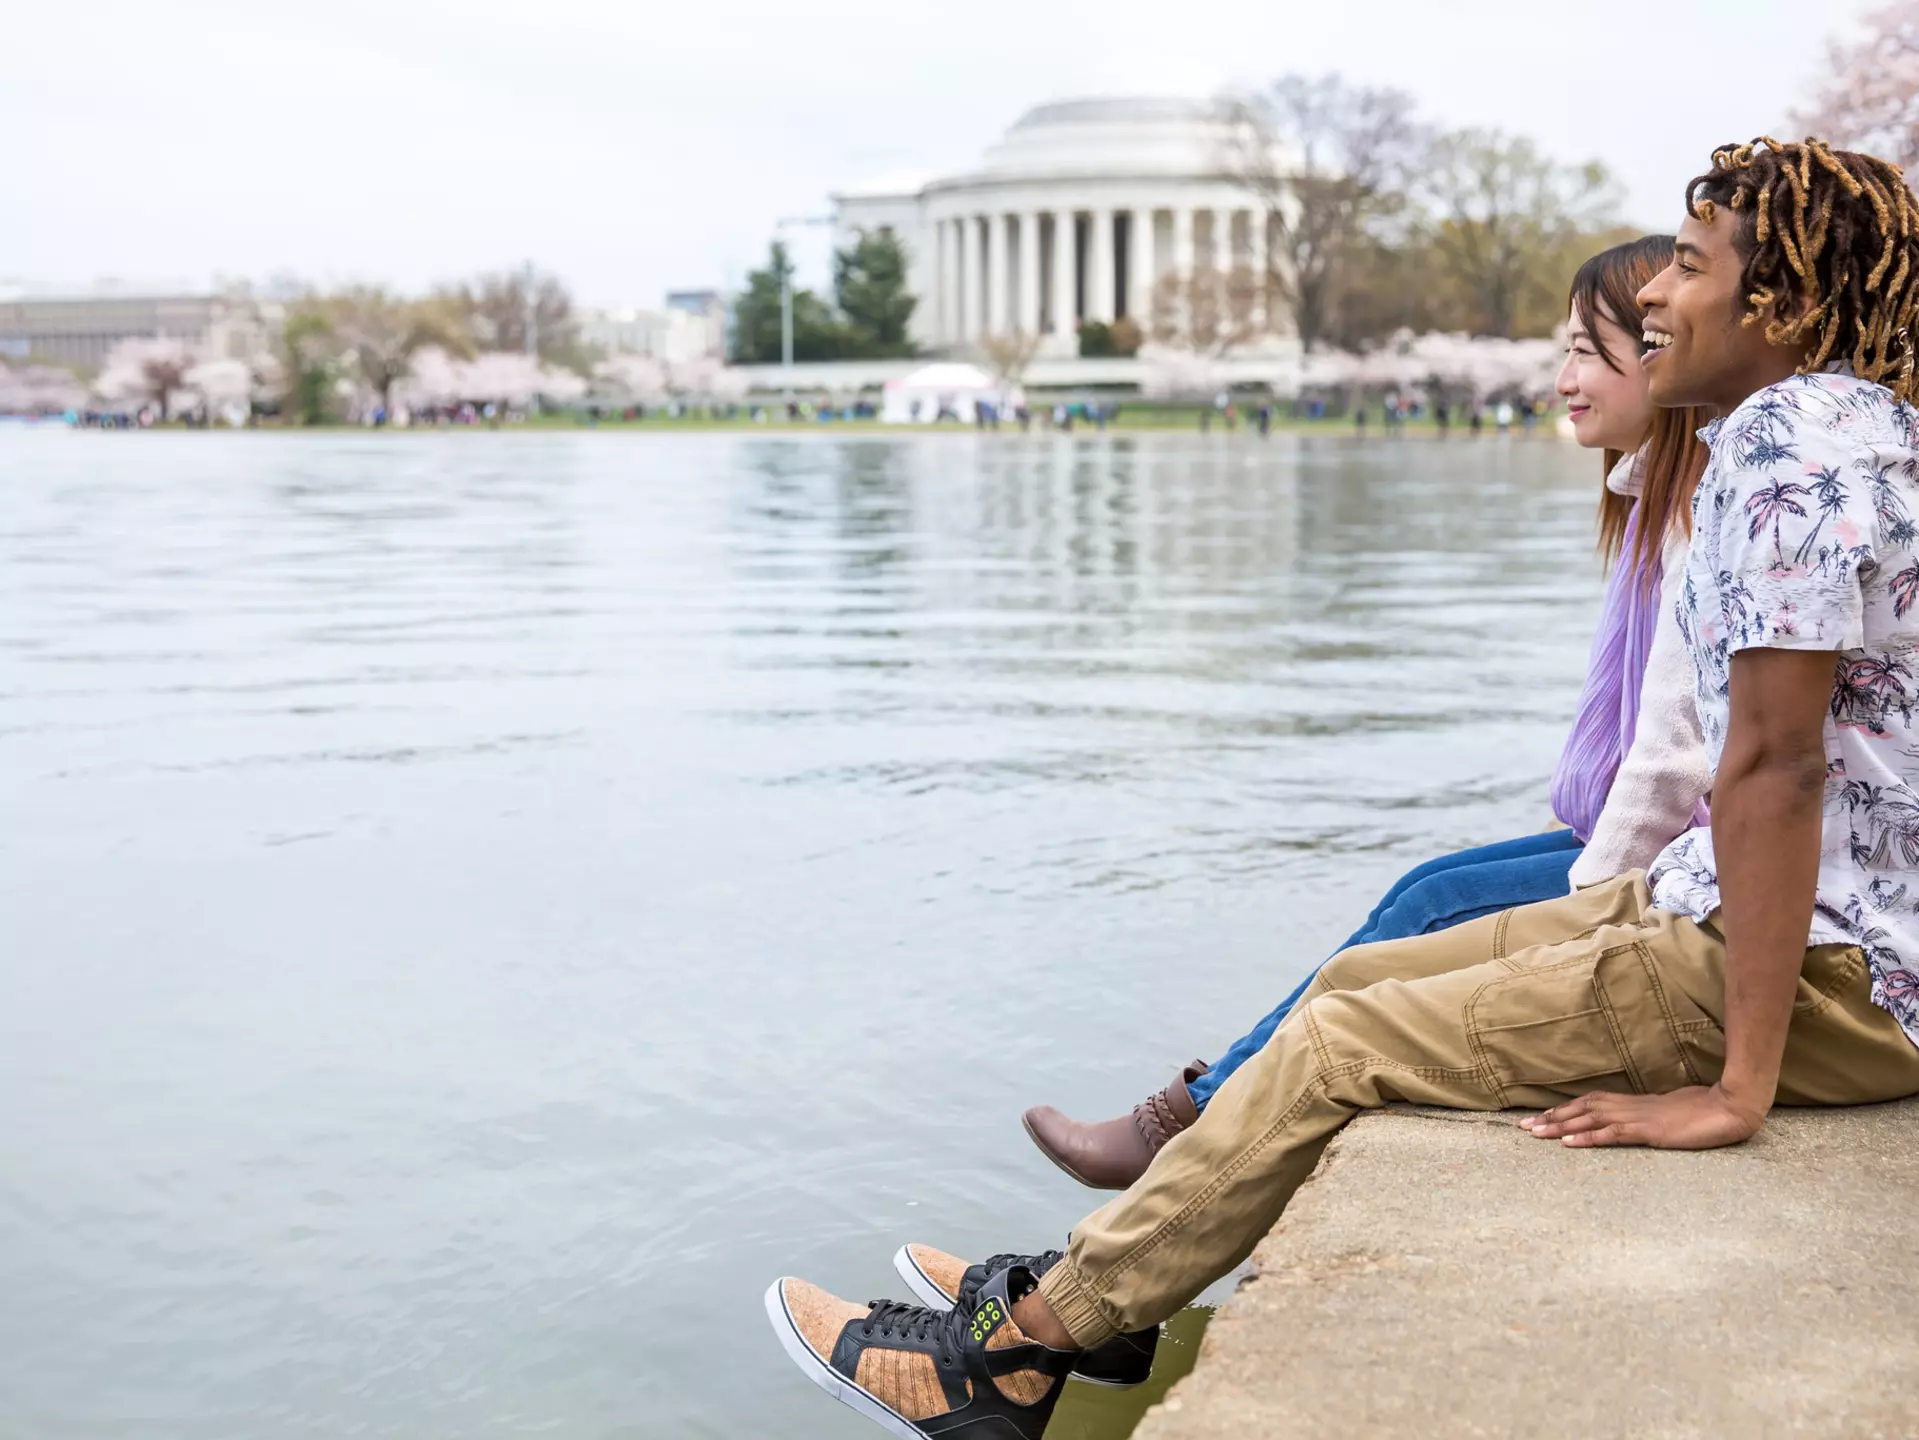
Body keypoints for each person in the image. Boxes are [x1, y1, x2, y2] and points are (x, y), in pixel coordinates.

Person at [764, 138, 1919, 1440]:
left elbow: (1771, 769)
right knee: (1359, 977)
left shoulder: (1785, 444)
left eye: (1691, 269)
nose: (1654, 296)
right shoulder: (1842, 425)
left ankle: (1016, 1359)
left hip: (1814, 972)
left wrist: (1735, 1090)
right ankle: (1117, 1283)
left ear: (1777, 304)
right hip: (1742, 917)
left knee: (1338, 1044)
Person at [1022, 234, 1714, 1190]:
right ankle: (1190, 1108)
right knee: (1429, 881)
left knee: (1431, 904)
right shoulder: (1651, 502)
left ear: (1658, 354)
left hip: (1681, 867)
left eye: (1585, 352)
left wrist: (1584, 908)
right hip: (1657, 842)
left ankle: (1187, 1118)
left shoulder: (1692, 517)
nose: (1561, 378)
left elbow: (1674, 760)